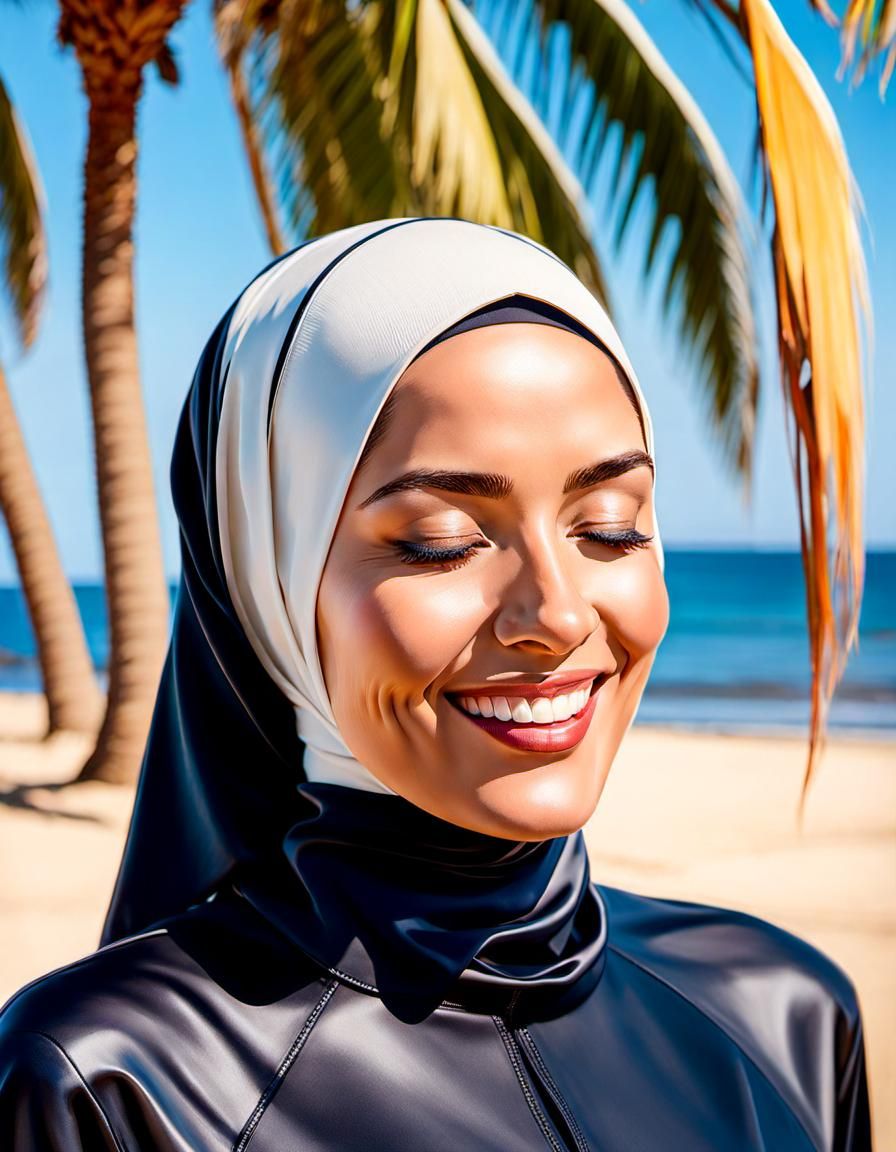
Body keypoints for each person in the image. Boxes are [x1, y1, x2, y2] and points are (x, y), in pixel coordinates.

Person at [0, 218, 872, 1150]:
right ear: (271, 580)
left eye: (612, 526)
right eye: (440, 541)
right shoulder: (113, 1088)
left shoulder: (790, 1014)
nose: (560, 614)